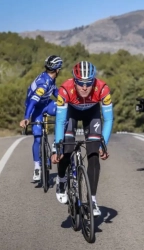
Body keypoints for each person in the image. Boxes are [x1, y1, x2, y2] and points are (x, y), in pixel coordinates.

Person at [51, 61, 114, 217]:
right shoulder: (65, 89)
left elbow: (109, 119)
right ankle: (61, 180)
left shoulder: (103, 88)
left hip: (92, 114)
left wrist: (103, 145)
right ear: (74, 80)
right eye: (80, 83)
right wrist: (58, 147)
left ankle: (92, 200)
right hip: (70, 114)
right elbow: (60, 121)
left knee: (93, 155)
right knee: (67, 149)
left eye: (88, 83)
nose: (84, 87)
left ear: (94, 81)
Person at [19, 55, 63, 181]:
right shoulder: (43, 83)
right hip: (35, 108)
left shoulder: (50, 78)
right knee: (37, 137)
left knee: (63, 112)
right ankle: (37, 166)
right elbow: (33, 101)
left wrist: (67, 101)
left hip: (46, 103)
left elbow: (55, 92)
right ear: (57, 70)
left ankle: (56, 143)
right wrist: (26, 117)